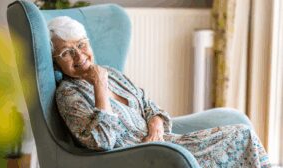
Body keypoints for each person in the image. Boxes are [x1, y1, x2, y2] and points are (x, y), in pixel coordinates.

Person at [48, 16, 270, 167]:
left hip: (168, 143)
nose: (79, 55)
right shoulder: (68, 95)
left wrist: (155, 124)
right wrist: (99, 86)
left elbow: (150, 105)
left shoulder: (111, 73)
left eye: (81, 44)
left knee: (242, 133)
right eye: (67, 52)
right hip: (142, 158)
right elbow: (102, 141)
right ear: (56, 64)